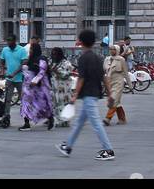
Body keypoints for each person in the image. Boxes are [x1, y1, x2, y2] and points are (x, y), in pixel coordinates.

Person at [57, 29, 115, 161]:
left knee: (96, 123)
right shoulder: (98, 58)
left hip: (88, 94)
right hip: (94, 93)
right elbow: (104, 77)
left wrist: (74, 95)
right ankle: (68, 146)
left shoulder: (83, 58)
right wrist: (110, 94)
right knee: (79, 122)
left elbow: (81, 79)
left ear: (81, 42)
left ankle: (108, 150)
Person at [18, 40, 53, 130]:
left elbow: (42, 71)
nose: (30, 51)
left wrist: (35, 81)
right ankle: (26, 124)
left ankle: (50, 117)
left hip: (39, 87)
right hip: (28, 86)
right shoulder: (30, 59)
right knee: (25, 103)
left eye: (32, 49)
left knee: (41, 105)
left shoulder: (41, 59)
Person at [0, 36, 26, 116]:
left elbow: (23, 64)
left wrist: (14, 73)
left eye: (10, 41)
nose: (8, 43)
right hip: (9, 79)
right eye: (7, 41)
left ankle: (26, 116)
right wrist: (2, 71)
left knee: (23, 99)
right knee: (7, 98)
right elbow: (2, 61)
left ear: (14, 41)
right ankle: (6, 115)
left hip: (20, 79)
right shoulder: (5, 50)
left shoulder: (21, 50)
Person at [103, 43, 128, 125]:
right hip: (110, 82)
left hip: (119, 81)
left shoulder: (121, 59)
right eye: (110, 49)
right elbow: (104, 70)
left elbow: (125, 73)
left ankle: (108, 118)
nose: (111, 51)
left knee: (113, 99)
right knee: (117, 101)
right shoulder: (107, 59)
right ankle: (122, 118)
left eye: (113, 49)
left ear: (117, 50)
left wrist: (130, 85)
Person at [51, 48, 75, 126]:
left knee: (64, 104)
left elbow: (67, 74)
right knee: (56, 104)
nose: (54, 56)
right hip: (55, 87)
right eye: (53, 54)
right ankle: (59, 120)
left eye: (55, 54)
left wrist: (57, 71)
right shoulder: (53, 63)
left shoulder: (66, 63)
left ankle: (65, 121)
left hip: (64, 88)